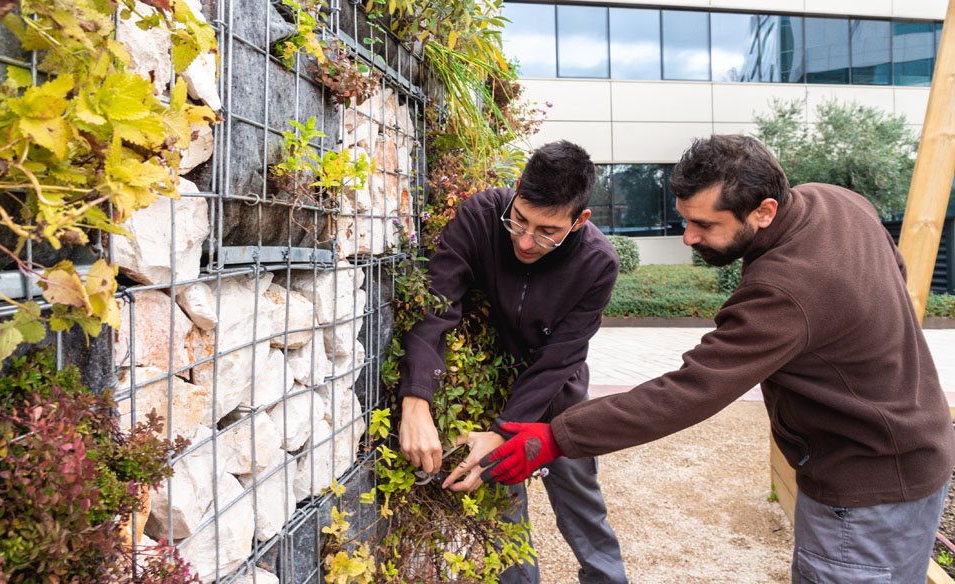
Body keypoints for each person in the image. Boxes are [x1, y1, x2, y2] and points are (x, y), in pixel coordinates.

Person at [479, 134, 955, 583]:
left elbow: (692, 389)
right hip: (918, 450)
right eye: (686, 219)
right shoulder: (838, 201)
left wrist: (557, 437)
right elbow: (896, 271)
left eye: (705, 224)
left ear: (764, 211)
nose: (688, 237)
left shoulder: (785, 289)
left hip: (863, 486)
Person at [397, 140, 629, 584]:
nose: (525, 240)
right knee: (505, 518)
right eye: (519, 219)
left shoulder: (599, 262)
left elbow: (559, 358)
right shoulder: (481, 215)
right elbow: (436, 307)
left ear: (580, 220)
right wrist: (416, 398)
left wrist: (505, 433)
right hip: (493, 386)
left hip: (558, 397)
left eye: (547, 231)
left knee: (582, 507)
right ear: (517, 188)